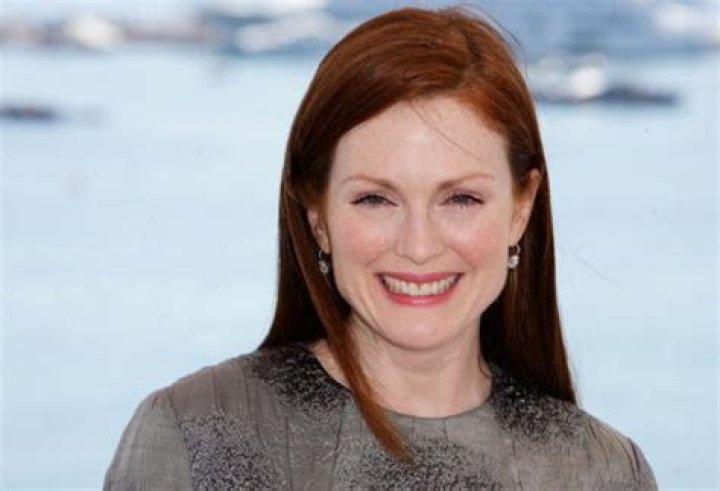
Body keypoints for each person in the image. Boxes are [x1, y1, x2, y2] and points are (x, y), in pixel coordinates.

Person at [104, 6, 657, 489]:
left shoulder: (602, 474)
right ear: (317, 215)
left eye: (460, 199)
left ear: (521, 208)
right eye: (375, 199)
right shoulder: (191, 437)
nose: (418, 246)